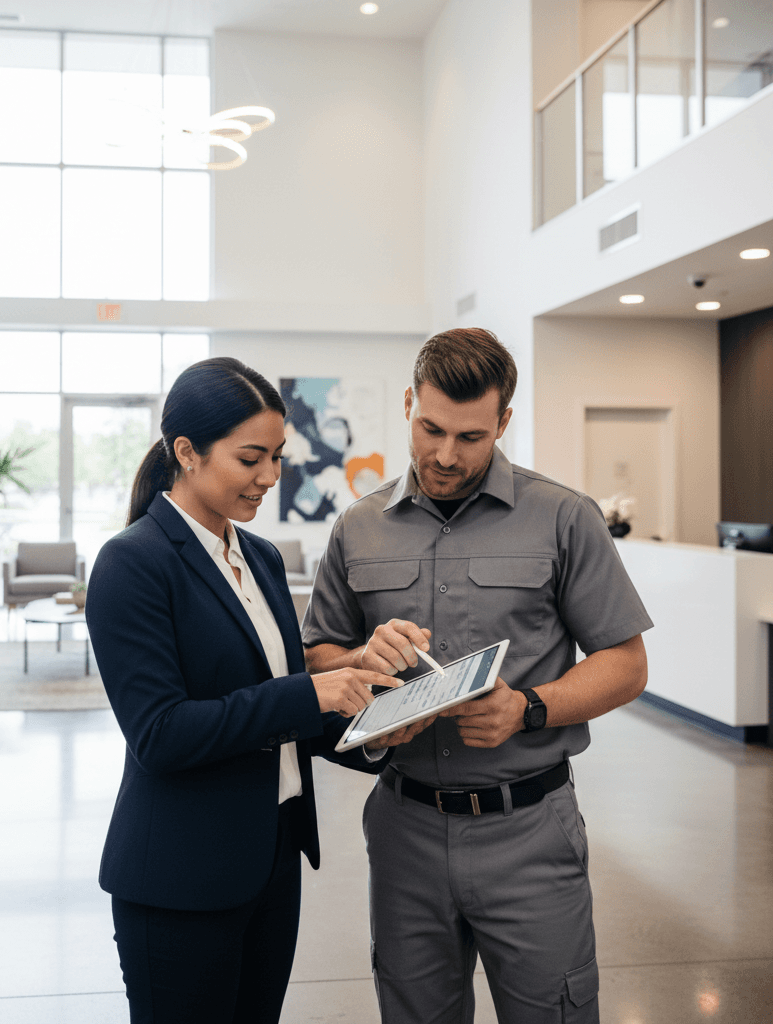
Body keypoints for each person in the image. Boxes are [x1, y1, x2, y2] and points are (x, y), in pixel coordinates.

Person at [302, 329, 653, 1024]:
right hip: (405, 823)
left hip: (529, 830)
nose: (444, 455)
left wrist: (529, 708)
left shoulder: (564, 517)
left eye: (470, 436)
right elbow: (319, 654)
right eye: (430, 428)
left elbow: (626, 664)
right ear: (408, 402)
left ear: (503, 422)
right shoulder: (358, 527)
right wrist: (364, 658)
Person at [85, 357, 431, 1024]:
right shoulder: (132, 563)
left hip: (270, 861)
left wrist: (375, 729)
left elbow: (282, 711)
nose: (270, 477)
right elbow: (161, 735)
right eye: (251, 459)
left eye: (276, 456)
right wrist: (316, 692)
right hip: (180, 880)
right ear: (186, 452)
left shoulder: (261, 558)